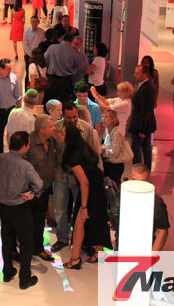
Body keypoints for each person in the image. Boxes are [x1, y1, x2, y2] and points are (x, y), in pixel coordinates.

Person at [0, 131, 42, 289]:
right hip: (20, 206)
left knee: (7, 239)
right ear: (24, 146)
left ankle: (7, 271)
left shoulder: (0, 158)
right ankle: (24, 277)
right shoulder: (25, 165)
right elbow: (38, 184)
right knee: (26, 242)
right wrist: (32, 194)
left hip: (4, 206)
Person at [52, 102, 101, 252]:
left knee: (82, 210)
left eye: (74, 117)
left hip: (79, 178)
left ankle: (84, 240)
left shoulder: (86, 128)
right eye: (69, 117)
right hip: (60, 176)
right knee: (60, 209)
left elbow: (93, 151)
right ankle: (62, 238)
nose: (72, 120)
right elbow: (52, 151)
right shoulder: (55, 128)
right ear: (63, 116)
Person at [62, 126, 110, 268]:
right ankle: (99, 253)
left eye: (62, 133)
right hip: (98, 188)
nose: (60, 135)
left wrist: (83, 206)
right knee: (98, 220)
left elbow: (84, 182)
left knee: (79, 223)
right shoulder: (84, 149)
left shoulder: (72, 157)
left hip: (90, 192)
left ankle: (75, 259)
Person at [25, 115, 58, 262]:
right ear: (42, 130)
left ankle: (37, 248)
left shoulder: (52, 141)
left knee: (39, 219)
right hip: (30, 190)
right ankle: (25, 248)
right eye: (51, 126)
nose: (55, 128)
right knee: (27, 220)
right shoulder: (29, 143)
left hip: (45, 187)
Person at [129, 164, 169, 251]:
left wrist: (152, 255)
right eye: (134, 181)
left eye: (142, 182)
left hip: (144, 248)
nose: (138, 185)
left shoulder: (156, 203)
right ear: (129, 179)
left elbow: (162, 231)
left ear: (148, 182)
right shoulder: (122, 196)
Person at [126, 65, 157, 170]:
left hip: (141, 125)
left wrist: (142, 129)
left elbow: (145, 110)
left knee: (138, 149)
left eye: (137, 73)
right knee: (145, 148)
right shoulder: (145, 86)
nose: (134, 75)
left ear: (144, 75)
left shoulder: (146, 88)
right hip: (143, 124)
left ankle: (139, 171)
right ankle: (144, 170)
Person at [44, 32, 85, 103]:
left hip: (52, 79)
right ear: (71, 41)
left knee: (51, 101)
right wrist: (73, 70)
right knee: (64, 101)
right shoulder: (72, 52)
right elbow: (80, 65)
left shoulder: (52, 47)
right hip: (66, 80)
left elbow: (45, 60)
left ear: (63, 39)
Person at [0, 59, 22, 153]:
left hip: (12, 109)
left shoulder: (13, 77)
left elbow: (18, 96)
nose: (10, 71)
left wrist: (19, 110)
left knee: (14, 133)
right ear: (1, 69)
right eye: (8, 69)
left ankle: (13, 152)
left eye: (11, 68)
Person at [100, 109, 125, 186]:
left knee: (114, 187)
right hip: (108, 163)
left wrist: (104, 149)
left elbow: (115, 152)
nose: (103, 119)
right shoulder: (107, 130)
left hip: (115, 166)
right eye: (103, 116)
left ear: (113, 120)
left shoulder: (116, 133)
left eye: (106, 117)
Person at [23, 15, 46, 86]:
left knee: (40, 73)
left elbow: (43, 43)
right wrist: (31, 55)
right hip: (29, 56)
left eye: (36, 22)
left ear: (38, 22)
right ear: (30, 22)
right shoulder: (26, 32)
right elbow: (25, 45)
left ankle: (39, 87)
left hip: (40, 56)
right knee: (28, 73)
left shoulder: (42, 32)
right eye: (33, 22)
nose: (34, 24)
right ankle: (27, 88)